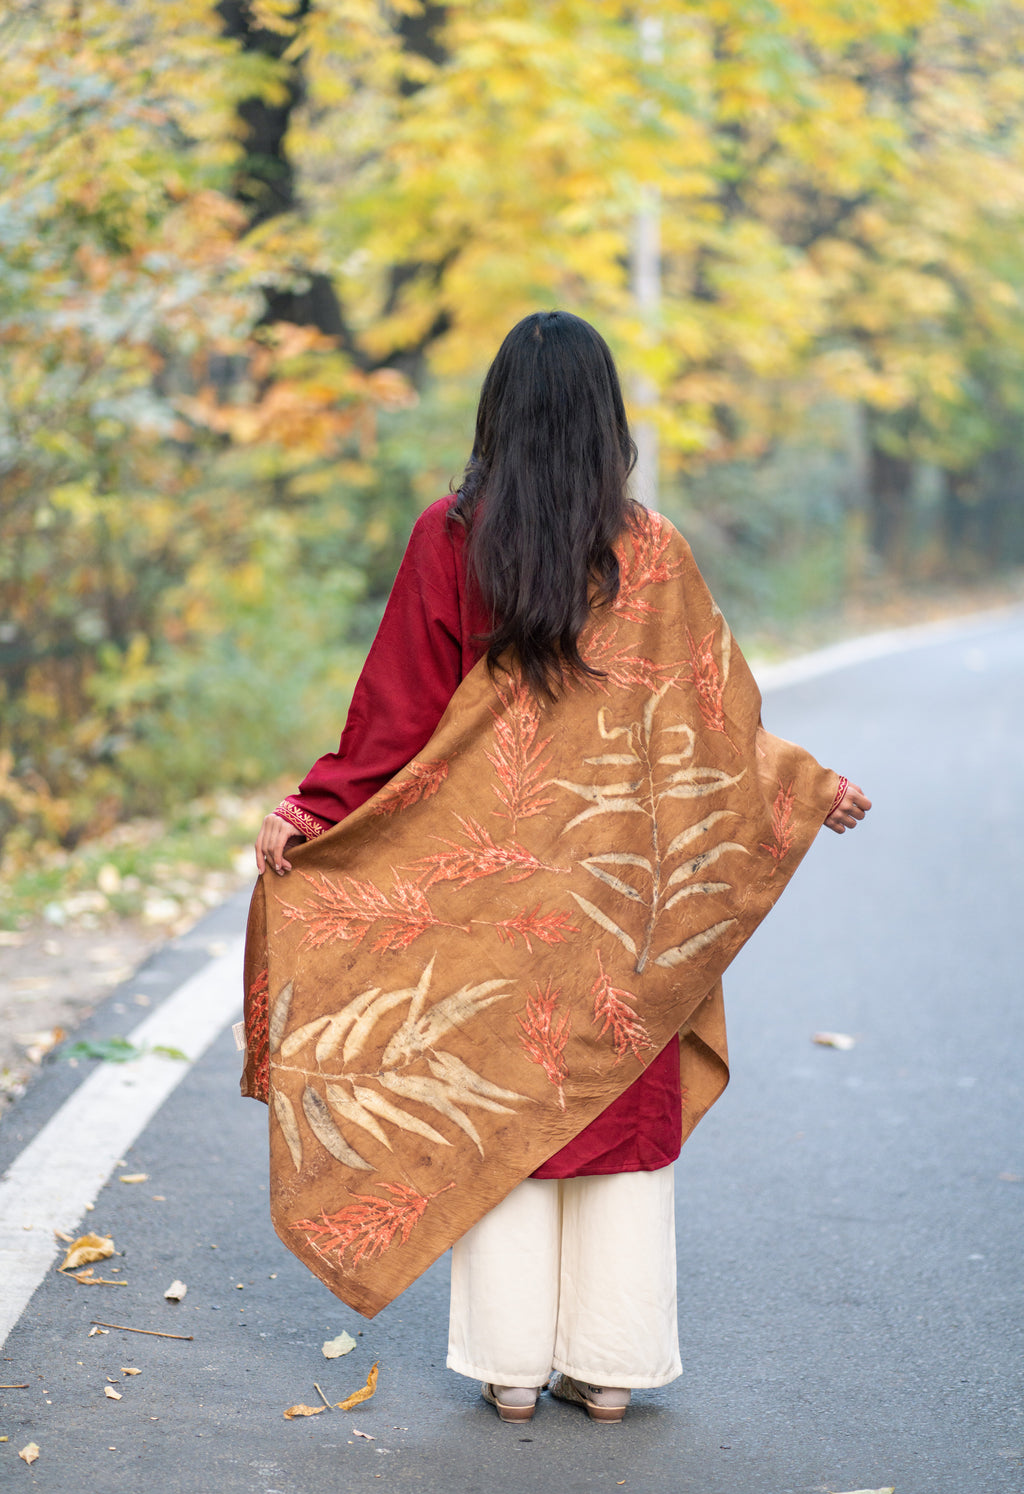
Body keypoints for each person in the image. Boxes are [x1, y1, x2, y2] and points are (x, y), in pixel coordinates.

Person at [252, 311, 870, 1424]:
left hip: (488, 901)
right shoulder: (653, 553)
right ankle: (613, 1371)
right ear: (605, 423)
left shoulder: (449, 540)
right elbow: (712, 723)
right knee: (613, 1116)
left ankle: (512, 1372)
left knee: (496, 1096)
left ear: (497, 414)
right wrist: (802, 785)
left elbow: (390, 720)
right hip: (616, 903)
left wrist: (314, 811)